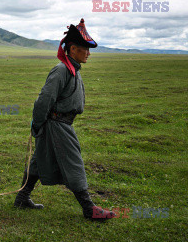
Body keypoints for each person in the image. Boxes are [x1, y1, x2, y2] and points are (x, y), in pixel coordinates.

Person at [14, 19, 116, 221]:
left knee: (37, 162)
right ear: (73, 48)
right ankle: (89, 208)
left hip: (60, 123)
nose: (88, 53)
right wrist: (37, 123)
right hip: (56, 125)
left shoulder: (73, 69)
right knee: (73, 162)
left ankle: (22, 198)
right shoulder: (61, 70)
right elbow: (44, 100)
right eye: (85, 49)